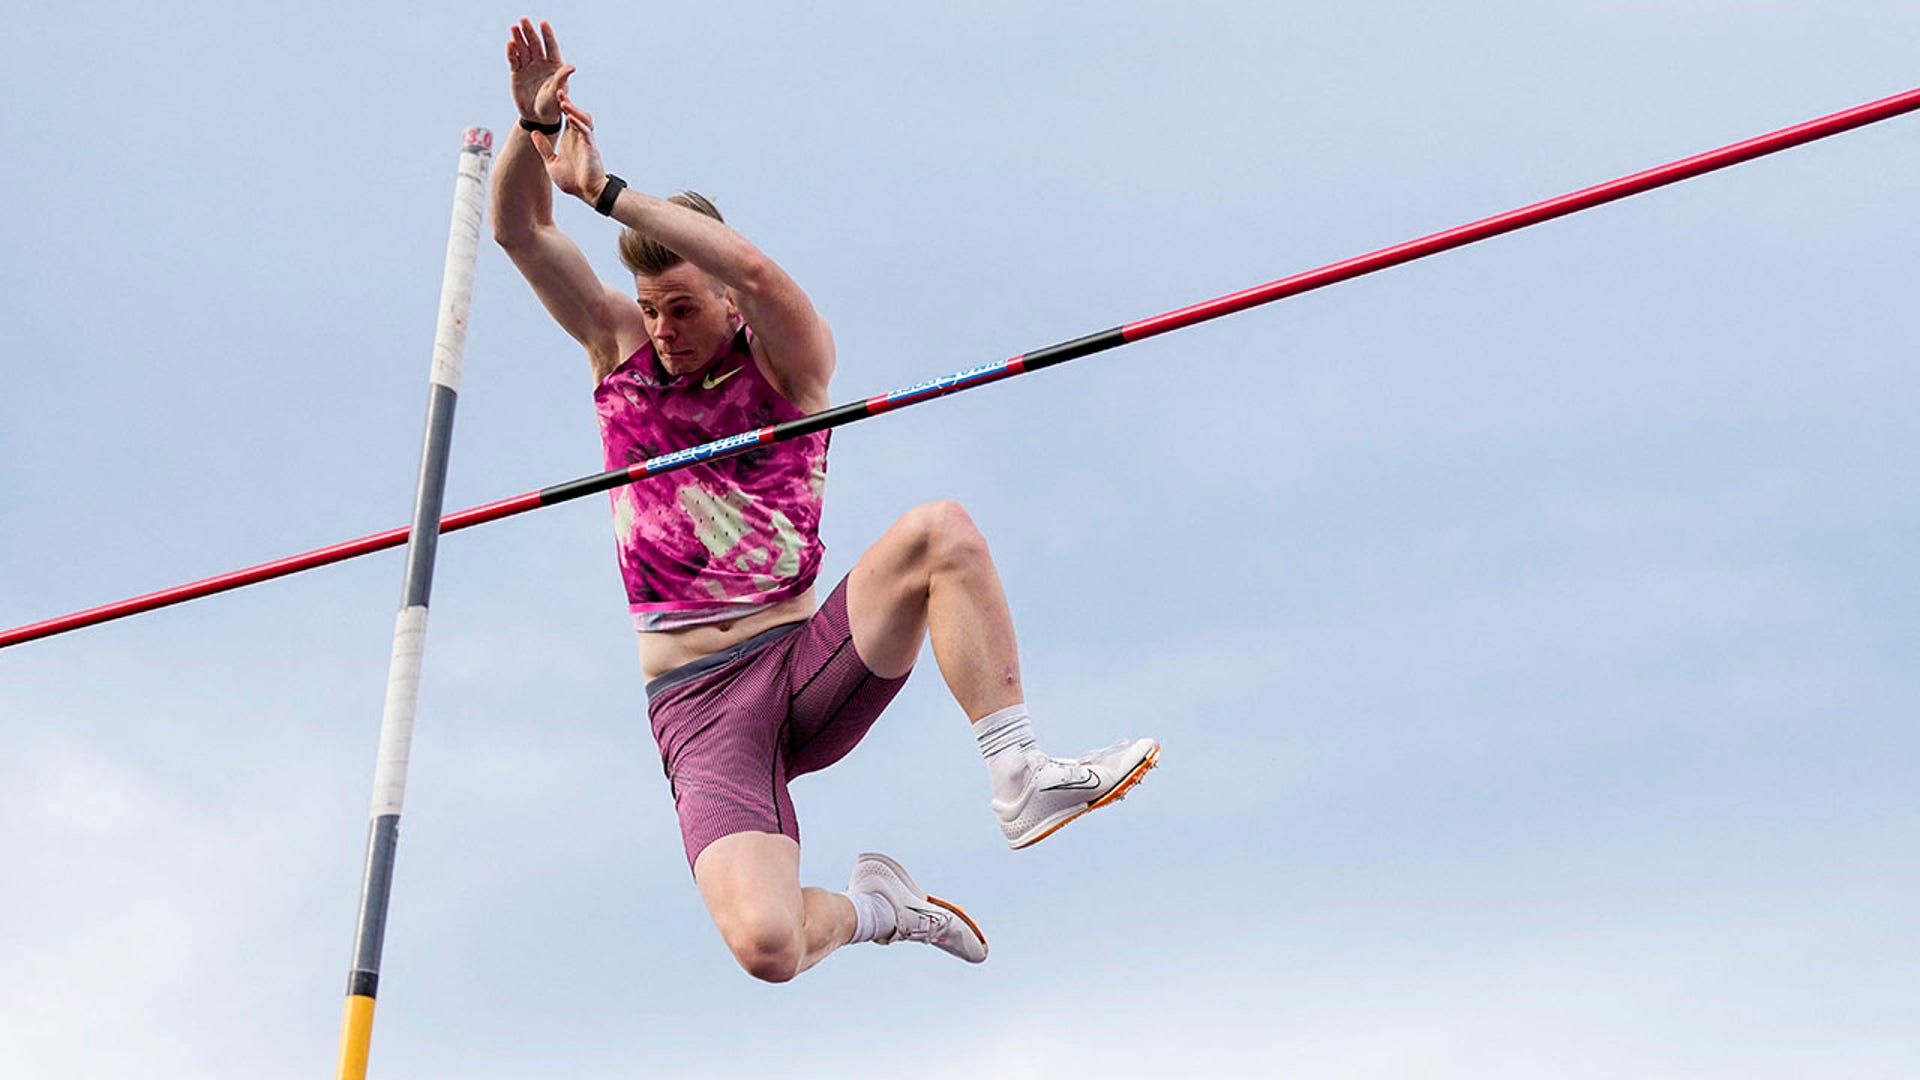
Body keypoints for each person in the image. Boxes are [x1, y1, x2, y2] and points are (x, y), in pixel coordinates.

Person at [492, 18, 1158, 982]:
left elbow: (759, 270)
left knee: (941, 533)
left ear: (725, 301)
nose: (665, 330)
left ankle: (1020, 776)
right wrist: (529, 125)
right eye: (652, 310)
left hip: (804, 661)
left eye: (683, 306)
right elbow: (520, 230)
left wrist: (605, 189)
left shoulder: (791, 365)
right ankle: (881, 911)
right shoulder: (618, 352)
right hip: (697, 704)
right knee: (765, 949)